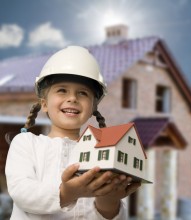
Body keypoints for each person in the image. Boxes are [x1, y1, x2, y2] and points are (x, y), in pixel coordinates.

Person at [5, 46, 141, 219]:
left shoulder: (100, 152)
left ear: (92, 108)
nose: (73, 98)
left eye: (82, 93)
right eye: (62, 90)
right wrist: (66, 193)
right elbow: (22, 192)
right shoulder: (26, 143)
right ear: (44, 103)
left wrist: (109, 200)